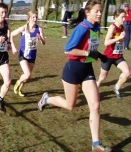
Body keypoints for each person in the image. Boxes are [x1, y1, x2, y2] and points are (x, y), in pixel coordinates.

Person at [37, 0, 111, 151]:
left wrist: (100, 55)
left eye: (100, 11)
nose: (99, 13)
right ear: (87, 12)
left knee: (95, 105)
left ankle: (96, 144)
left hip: (87, 70)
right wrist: (87, 53)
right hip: (73, 70)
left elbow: (90, 47)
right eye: (96, 11)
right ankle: (47, 99)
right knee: (70, 106)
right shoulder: (82, 28)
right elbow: (68, 50)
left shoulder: (95, 27)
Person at [96, 9, 130, 100]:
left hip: (118, 56)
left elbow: (120, 41)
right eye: (122, 17)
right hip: (108, 56)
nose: (124, 19)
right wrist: (119, 38)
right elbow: (106, 43)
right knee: (102, 77)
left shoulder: (123, 27)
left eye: (125, 17)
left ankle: (117, 87)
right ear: (115, 17)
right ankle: (94, 92)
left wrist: (121, 39)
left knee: (127, 73)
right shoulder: (112, 27)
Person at [10, 11, 45, 97]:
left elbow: (44, 43)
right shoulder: (24, 28)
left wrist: (41, 38)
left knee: (27, 77)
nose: (35, 19)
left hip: (32, 56)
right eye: (33, 17)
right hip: (23, 54)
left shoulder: (39, 29)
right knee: (27, 74)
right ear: (29, 18)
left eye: (36, 17)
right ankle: (17, 83)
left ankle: (20, 90)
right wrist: (13, 47)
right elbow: (11, 35)